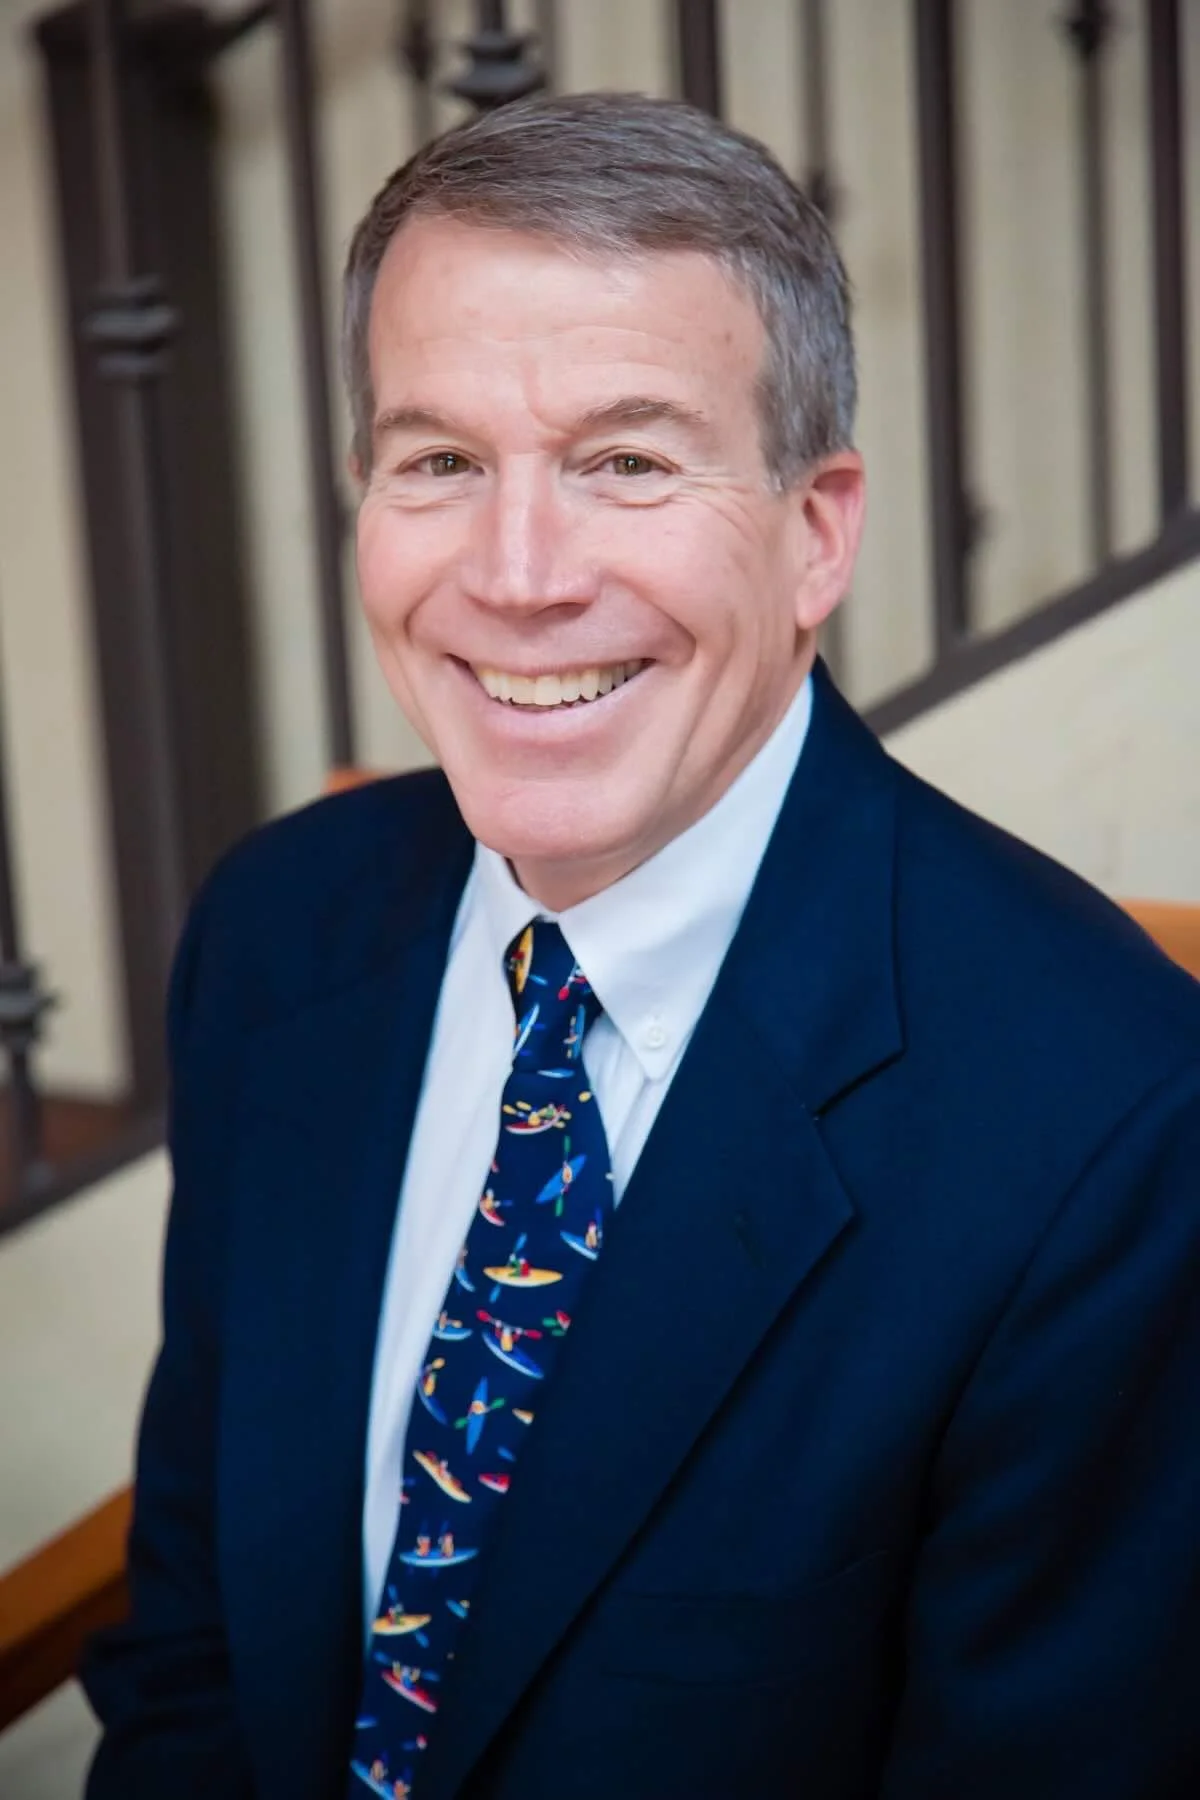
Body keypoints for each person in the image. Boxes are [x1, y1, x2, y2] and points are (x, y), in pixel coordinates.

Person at [83, 92, 1200, 1800]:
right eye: (440, 460)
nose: (520, 576)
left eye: (628, 460)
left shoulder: (1111, 1124)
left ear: (817, 531)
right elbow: (196, 1645)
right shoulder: (273, 929)